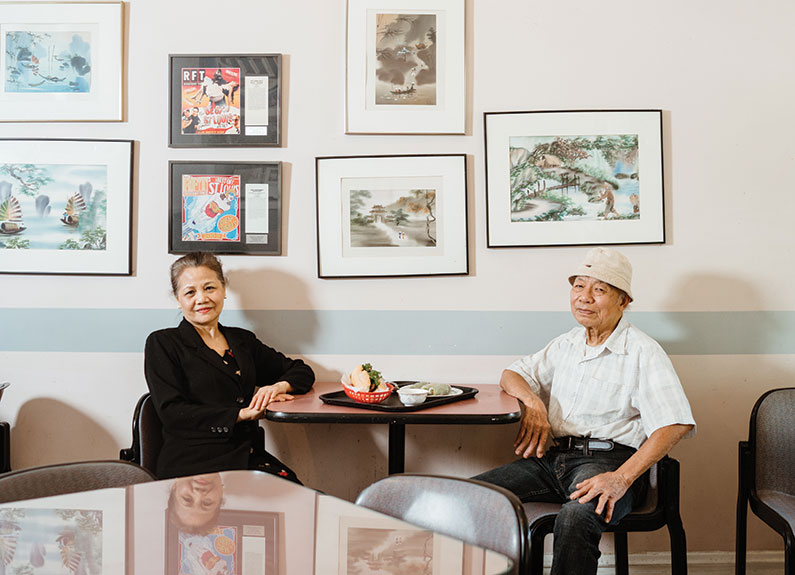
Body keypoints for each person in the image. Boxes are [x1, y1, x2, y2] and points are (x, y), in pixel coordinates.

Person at [474, 247, 695, 575]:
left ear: (623, 301)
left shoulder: (642, 351)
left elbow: (674, 424)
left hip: (609, 462)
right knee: (467, 497)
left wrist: (621, 479)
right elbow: (512, 375)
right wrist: (535, 404)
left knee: (577, 516)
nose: (585, 297)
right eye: (579, 286)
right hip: (554, 461)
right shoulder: (568, 343)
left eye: (600, 289)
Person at [145, 252, 315, 481]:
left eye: (209, 288)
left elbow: (301, 371)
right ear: (178, 298)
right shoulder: (163, 343)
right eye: (190, 292)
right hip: (192, 463)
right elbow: (173, 413)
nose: (202, 299)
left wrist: (278, 387)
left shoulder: (242, 341)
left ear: (223, 290)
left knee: (302, 499)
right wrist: (242, 414)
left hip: (246, 456)